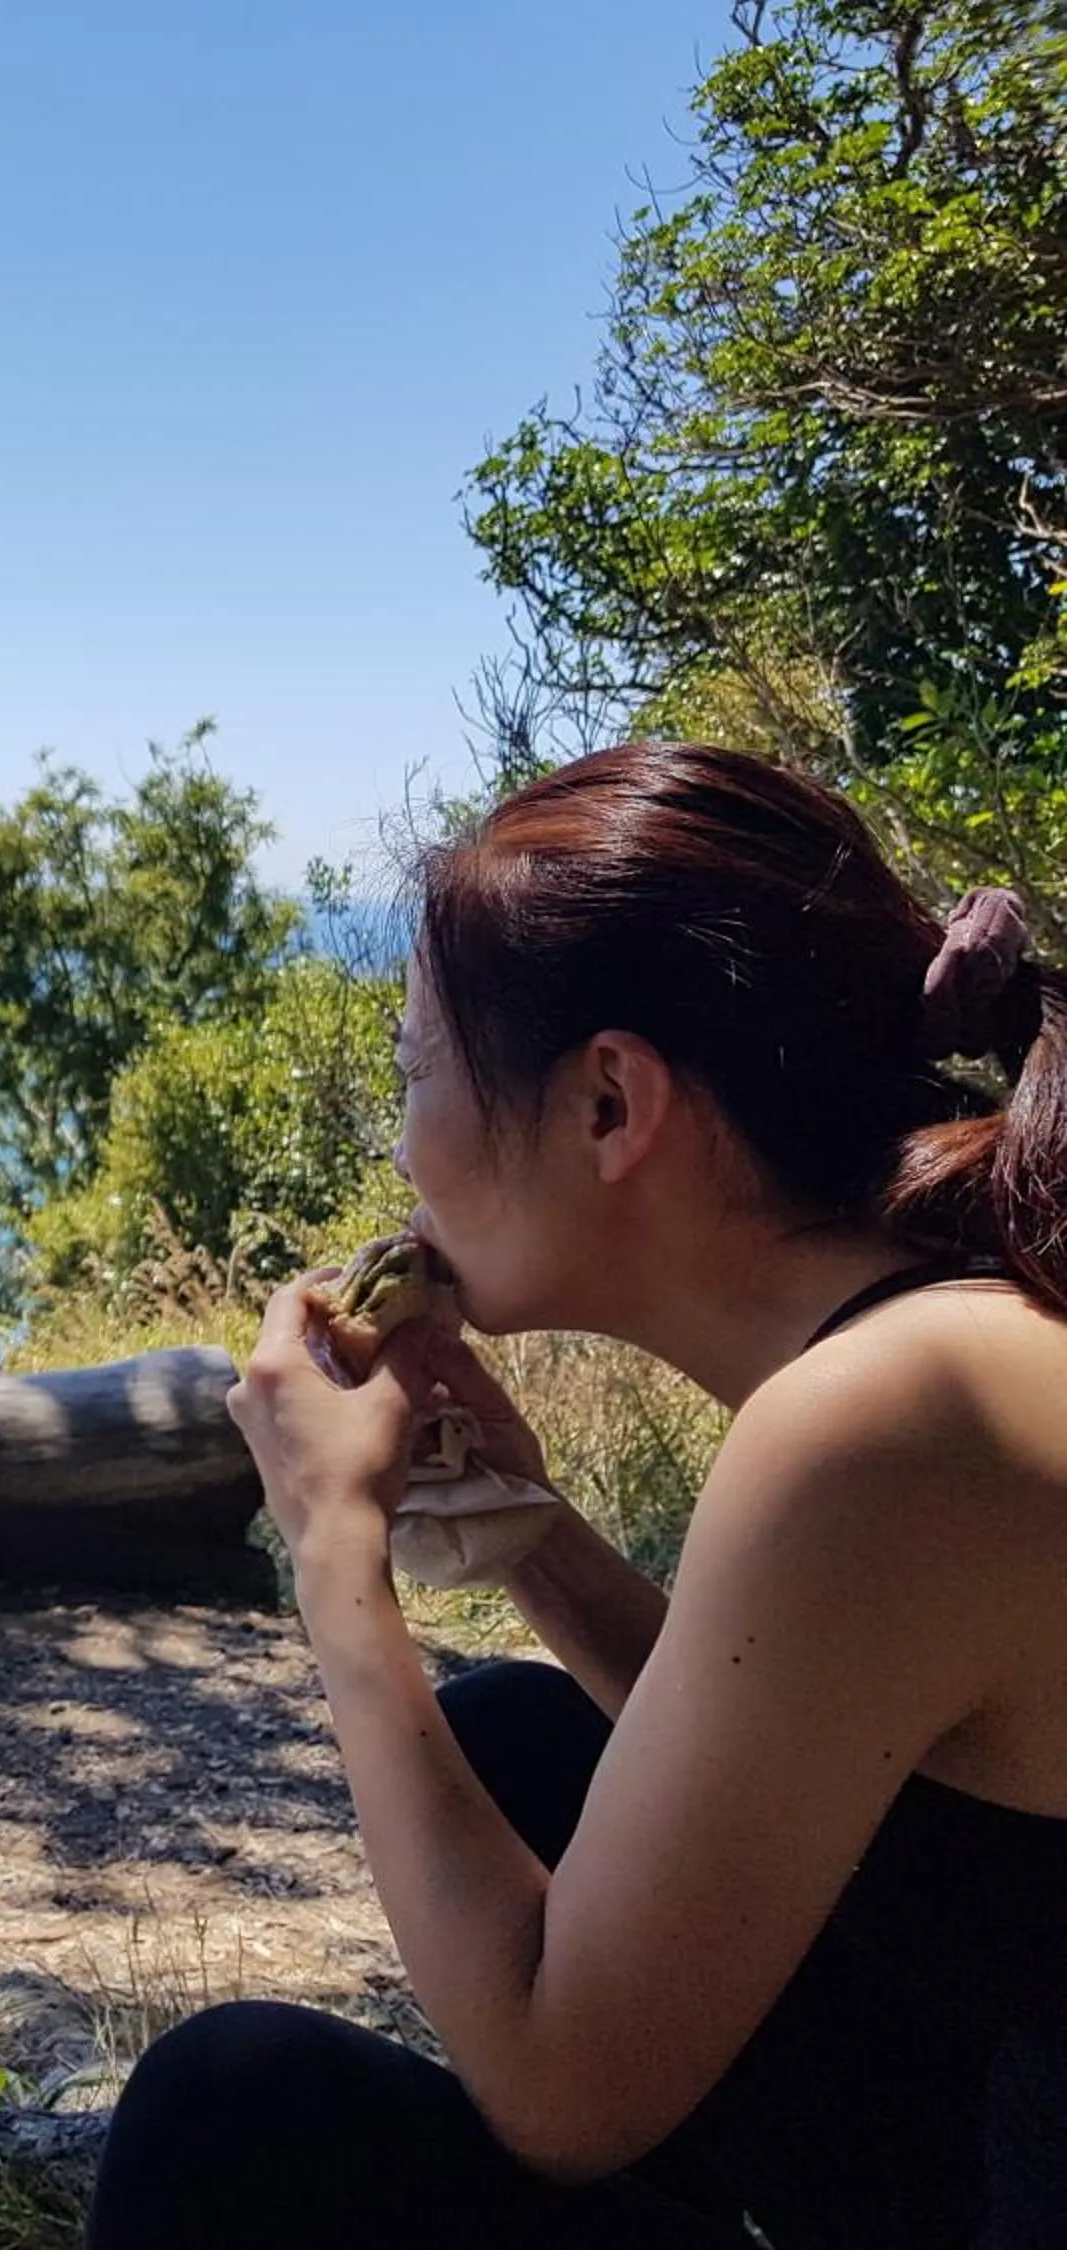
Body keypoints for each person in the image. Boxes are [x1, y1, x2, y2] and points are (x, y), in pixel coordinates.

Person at [86, 742, 1067, 2250]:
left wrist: (335, 1563)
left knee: (230, 2121)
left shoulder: (883, 1425)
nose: (401, 1145)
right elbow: (847, 1773)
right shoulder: (950, 1314)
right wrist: (531, 1532)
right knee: (527, 1744)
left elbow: (563, 2083)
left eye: (418, 1073)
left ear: (612, 1101)